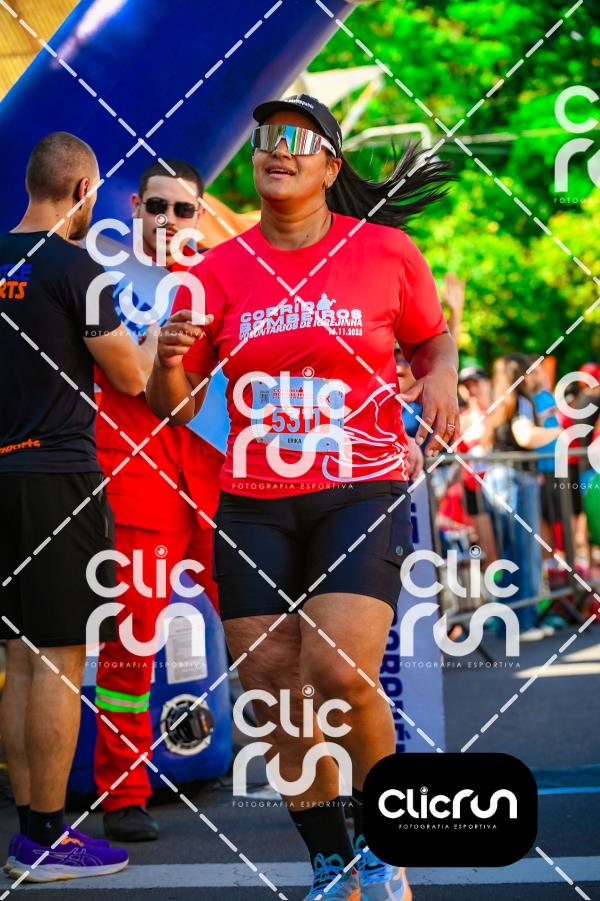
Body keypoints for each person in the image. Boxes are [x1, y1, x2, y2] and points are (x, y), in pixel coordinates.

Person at [147, 94, 458, 901]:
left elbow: (432, 334)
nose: (275, 149)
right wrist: (168, 364)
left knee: (339, 670)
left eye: (296, 138)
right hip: (253, 499)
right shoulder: (213, 272)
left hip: (360, 486)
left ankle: (385, 850)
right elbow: (176, 407)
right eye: (264, 138)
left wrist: (440, 378)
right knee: (273, 687)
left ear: (330, 165)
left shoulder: (386, 251)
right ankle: (331, 863)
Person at [0, 132, 156, 881]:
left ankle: (29, 833)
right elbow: (131, 377)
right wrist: (162, 337)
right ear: (84, 191)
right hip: (58, 476)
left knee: (18, 658)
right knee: (59, 659)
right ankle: (46, 839)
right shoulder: (78, 267)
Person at [93, 159, 224, 842]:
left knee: (268, 628)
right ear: (136, 207)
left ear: (200, 213)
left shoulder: (220, 278)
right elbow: (132, 378)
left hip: (218, 475)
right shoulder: (101, 277)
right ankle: (123, 792)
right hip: (135, 477)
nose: (170, 220)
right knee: (132, 640)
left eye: (184, 209)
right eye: (158, 206)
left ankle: (316, 776)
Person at [482, 354, 562, 641]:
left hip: (498, 477)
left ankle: (511, 624)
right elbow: (526, 437)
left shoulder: (501, 403)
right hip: (516, 478)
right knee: (524, 554)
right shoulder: (522, 401)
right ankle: (522, 624)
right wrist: (556, 431)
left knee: (510, 555)